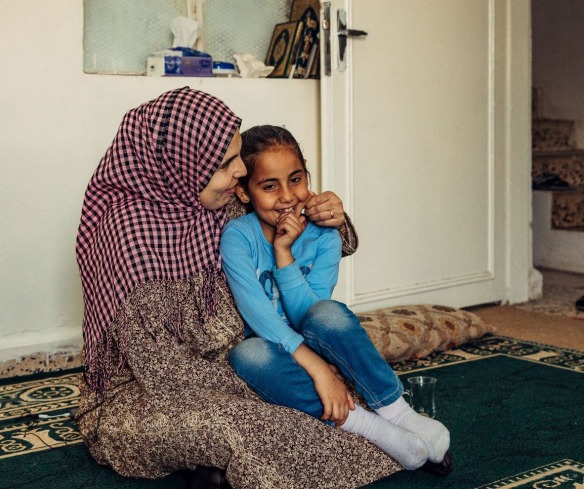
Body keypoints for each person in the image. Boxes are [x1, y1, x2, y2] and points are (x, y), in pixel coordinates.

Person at [75, 87, 404, 489]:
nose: (240, 172)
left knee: (335, 386)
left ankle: (211, 467)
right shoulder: (127, 238)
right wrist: (292, 370)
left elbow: (301, 236)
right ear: (182, 164)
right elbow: (162, 371)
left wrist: (331, 215)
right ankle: (212, 458)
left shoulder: (226, 203)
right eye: (225, 162)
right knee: (251, 422)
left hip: (246, 359)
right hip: (156, 390)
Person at [220, 125, 453, 474]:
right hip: (275, 347)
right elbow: (256, 315)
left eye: (296, 179)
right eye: (269, 186)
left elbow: (308, 312)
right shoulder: (238, 237)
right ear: (243, 192)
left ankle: (397, 411)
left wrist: (284, 254)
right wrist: (316, 370)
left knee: (328, 314)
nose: (287, 196)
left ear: (307, 174)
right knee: (246, 354)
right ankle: (367, 426)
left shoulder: (326, 234)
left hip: (316, 338)